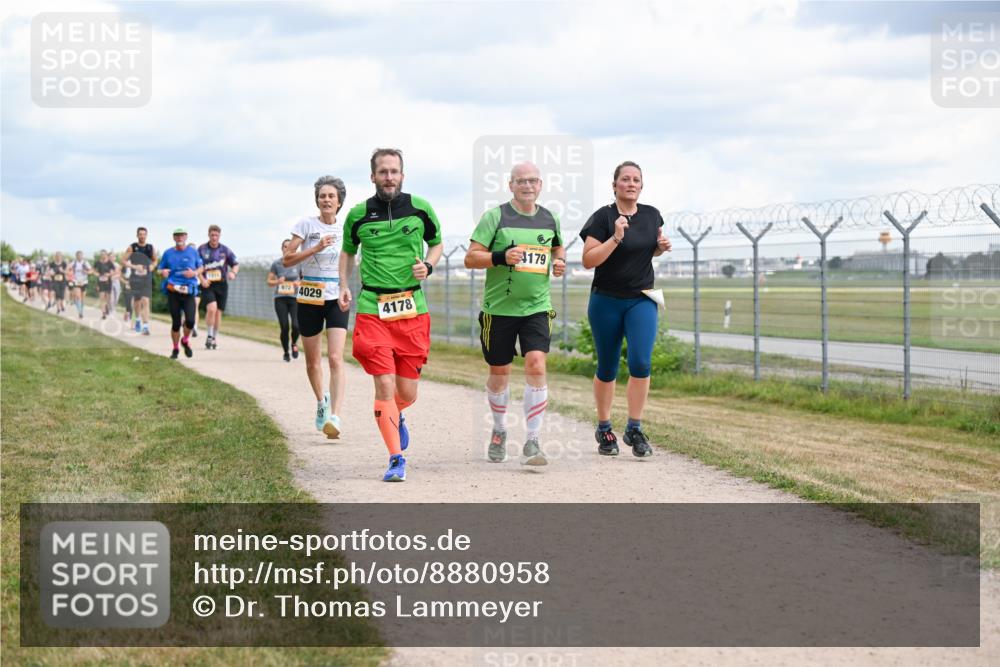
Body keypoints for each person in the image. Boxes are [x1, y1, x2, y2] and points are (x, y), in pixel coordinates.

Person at [339, 148, 443, 482]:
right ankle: (396, 458)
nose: (388, 177)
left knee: (407, 393)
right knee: (384, 384)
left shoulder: (420, 208)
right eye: (383, 172)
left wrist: (428, 265)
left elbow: (437, 243)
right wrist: (343, 284)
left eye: (394, 171)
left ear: (402, 175)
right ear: (373, 176)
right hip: (373, 308)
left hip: (412, 308)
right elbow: (347, 252)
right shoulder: (358, 214)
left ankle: (396, 414)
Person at [464, 161, 566, 466]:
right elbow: (471, 258)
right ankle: (499, 430)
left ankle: (533, 441)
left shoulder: (550, 218)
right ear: (511, 185)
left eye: (533, 180)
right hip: (498, 310)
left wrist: (559, 262)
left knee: (536, 364)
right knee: (500, 374)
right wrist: (501, 257)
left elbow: (557, 249)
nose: (527, 185)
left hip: (537, 307)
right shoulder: (495, 217)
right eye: (521, 181)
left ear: (541, 185)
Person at [580, 161, 672, 457]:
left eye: (636, 180)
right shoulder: (603, 217)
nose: (631, 184)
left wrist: (659, 248)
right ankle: (605, 427)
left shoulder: (652, 215)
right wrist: (616, 237)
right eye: (625, 179)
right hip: (606, 300)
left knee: (641, 363)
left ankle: (634, 428)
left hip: (642, 298)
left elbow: (646, 249)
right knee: (607, 367)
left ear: (641, 186)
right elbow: (589, 260)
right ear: (614, 185)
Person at [283, 177, 350, 439]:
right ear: (317, 200)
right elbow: (287, 259)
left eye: (331, 196)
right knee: (312, 362)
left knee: (335, 358)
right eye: (322, 196)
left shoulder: (346, 228)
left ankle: (336, 416)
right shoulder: (306, 225)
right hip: (309, 297)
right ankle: (321, 402)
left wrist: (345, 286)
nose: (326, 200)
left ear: (339, 201)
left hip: (335, 297)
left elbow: (350, 259)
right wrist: (315, 248)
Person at [158, 228, 203, 358]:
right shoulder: (168, 253)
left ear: (186, 237)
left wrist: (194, 273)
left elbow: (201, 267)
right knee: (176, 323)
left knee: (190, 321)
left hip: (188, 291)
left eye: (182, 235)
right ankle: (176, 348)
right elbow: (159, 269)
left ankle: (185, 340)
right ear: (174, 237)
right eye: (177, 236)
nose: (179, 238)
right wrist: (163, 272)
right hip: (173, 291)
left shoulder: (193, 252)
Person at [197, 225, 239, 350]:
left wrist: (233, 273)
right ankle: (209, 335)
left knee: (218, 313)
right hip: (208, 284)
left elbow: (235, 264)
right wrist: (202, 279)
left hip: (221, 284)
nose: (214, 237)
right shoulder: (202, 249)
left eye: (216, 235)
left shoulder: (225, 250)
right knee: (211, 309)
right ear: (208, 235)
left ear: (219, 236)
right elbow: (196, 267)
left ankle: (214, 337)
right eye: (212, 235)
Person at [269, 239, 302, 363]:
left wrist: (299, 283)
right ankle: (286, 352)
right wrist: (277, 281)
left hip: (294, 298)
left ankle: (294, 343)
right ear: (282, 248)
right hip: (280, 298)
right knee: (284, 327)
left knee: (296, 325)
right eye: (285, 246)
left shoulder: (299, 263)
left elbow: (305, 280)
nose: (287, 249)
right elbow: (269, 281)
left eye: (290, 246)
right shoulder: (277, 264)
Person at [124, 227, 156, 334]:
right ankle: (137, 319)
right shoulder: (132, 247)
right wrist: (134, 266)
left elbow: (155, 261)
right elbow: (123, 261)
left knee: (145, 300)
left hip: (146, 278)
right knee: (137, 301)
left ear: (146, 235)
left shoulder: (150, 247)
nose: (142, 236)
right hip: (135, 278)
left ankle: (145, 326)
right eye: (140, 234)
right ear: (137, 235)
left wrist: (152, 266)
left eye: (144, 234)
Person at [93, 250, 118, 319]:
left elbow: (116, 271)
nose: (103, 255)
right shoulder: (97, 262)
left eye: (104, 254)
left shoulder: (109, 263)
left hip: (108, 282)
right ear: (100, 255)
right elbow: (93, 270)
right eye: (102, 254)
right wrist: (96, 274)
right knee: (102, 298)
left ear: (106, 255)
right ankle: (103, 313)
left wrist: (109, 274)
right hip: (100, 282)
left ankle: (106, 306)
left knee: (108, 298)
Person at [70, 251, 92, 318]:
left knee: (82, 299)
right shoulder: (73, 263)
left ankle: (81, 311)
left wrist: (86, 272)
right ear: (76, 256)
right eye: (78, 255)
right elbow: (67, 270)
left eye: (80, 255)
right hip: (76, 281)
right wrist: (70, 273)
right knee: (78, 296)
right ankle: (79, 312)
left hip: (84, 281)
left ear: (82, 256)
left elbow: (91, 271)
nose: (79, 256)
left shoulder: (85, 262)